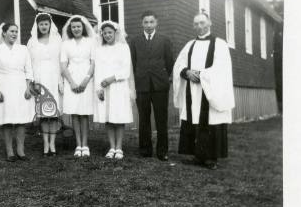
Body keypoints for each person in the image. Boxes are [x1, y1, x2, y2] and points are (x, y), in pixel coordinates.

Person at [173, 13, 235, 170]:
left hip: (209, 90)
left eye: (202, 22)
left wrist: (200, 75)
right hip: (192, 90)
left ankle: (210, 157)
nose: (199, 26)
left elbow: (221, 69)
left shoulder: (220, 44)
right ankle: (198, 155)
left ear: (210, 22)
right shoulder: (190, 45)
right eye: (196, 24)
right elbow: (178, 65)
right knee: (194, 119)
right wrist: (186, 72)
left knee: (210, 121)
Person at [129, 10, 174, 161]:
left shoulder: (164, 40)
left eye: (151, 22)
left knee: (161, 119)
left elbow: (169, 62)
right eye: (146, 22)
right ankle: (145, 150)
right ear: (142, 24)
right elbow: (133, 63)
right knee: (143, 119)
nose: (149, 25)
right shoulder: (135, 41)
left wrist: (163, 77)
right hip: (142, 85)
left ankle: (162, 151)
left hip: (160, 85)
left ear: (157, 22)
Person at [0, 22, 35, 162]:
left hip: (20, 86)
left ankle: (20, 150)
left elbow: (28, 69)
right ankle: (10, 151)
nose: (14, 34)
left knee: (21, 120)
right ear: (4, 33)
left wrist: (28, 87)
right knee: (7, 120)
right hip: (4, 86)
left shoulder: (23, 49)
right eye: (11, 31)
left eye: (16, 31)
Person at [93, 20, 134, 160]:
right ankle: (111, 147)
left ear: (116, 33)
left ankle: (119, 147)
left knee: (118, 117)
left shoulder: (123, 48)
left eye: (110, 32)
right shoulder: (99, 49)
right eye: (104, 33)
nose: (107, 35)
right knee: (108, 118)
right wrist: (98, 88)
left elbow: (126, 70)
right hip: (104, 86)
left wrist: (112, 78)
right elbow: (97, 70)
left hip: (118, 86)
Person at [27, 13, 63, 156]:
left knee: (53, 114)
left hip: (54, 78)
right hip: (40, 79)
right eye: (41, 24)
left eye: (46, 24)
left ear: (50, 25)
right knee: (43, 114)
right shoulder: (32, 42)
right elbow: (29, 63)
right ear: (37, 26)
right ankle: (45, 144)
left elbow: (61, 61)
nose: (43, 26)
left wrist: (61, 81)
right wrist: (34, 81)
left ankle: (53, 144)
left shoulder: (57, 40)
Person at [60, 15, 96, 158]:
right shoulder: (66, 44)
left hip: (87, 78)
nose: (76, 29)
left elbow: (93, 63)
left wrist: (85, 81)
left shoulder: (91, 42)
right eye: (73, 27)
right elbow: (63, 65)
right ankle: (78, 145)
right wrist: (72, 82)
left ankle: (85, 145)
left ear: (83, 28)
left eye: (78, 27)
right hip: (71, 79)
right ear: (70, 28)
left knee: (84, 113)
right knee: (75, 113)